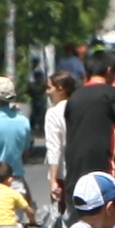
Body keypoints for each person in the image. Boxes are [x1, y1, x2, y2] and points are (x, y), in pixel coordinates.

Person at [63, 53, 115, 203]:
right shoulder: (112, 94)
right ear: (109, 70)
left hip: (75, 171)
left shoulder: (74, 97)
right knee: (108, 219)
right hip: (104, 171)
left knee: (80, 221)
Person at [43, 70, 76, 202]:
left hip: (64, 174)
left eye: (50, 87)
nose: (47, 92)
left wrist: (53, 180)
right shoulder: (80, 107)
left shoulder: (53, 113)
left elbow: (54, 148)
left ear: (60, 89)